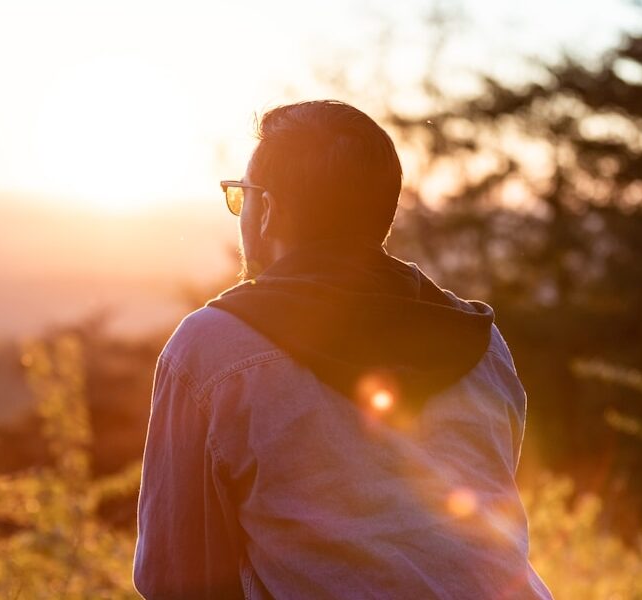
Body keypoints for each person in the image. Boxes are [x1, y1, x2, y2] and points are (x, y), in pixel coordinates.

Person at [133, 99, 554, 599]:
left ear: (267, 210)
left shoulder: (212, 349)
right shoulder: (481, 342)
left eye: (242, 197)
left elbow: (177, 579)